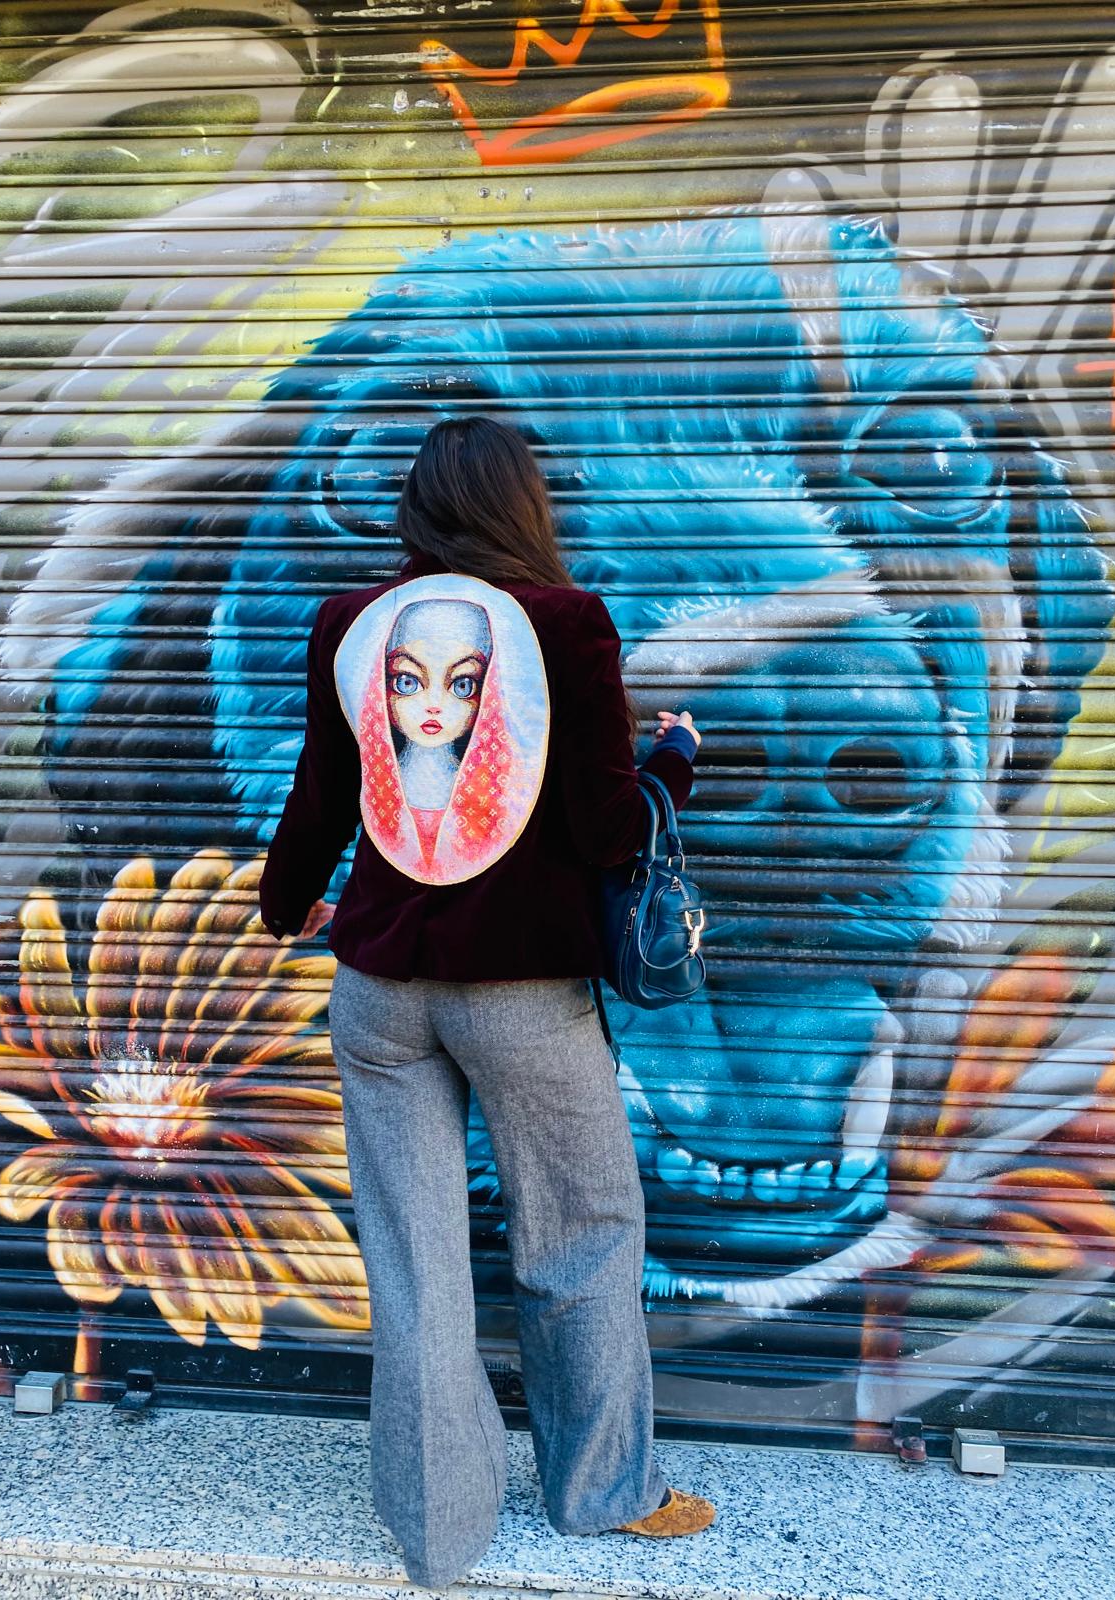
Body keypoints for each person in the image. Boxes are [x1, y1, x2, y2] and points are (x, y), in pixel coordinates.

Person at [259, 415, 714, 1589]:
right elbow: (611, 830)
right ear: (524, 503)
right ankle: (604, 1494)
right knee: (583, 1236)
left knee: (415, 1266)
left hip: (379, 997)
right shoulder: (566, 624)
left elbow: (319, 798)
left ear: (415, 506)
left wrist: (284, 907)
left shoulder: (352, 625)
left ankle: (438, 1533)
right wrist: (673, 761)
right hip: (523, 997)